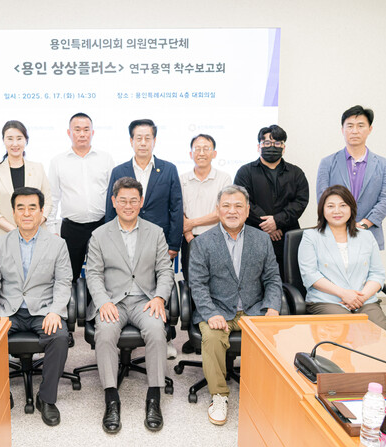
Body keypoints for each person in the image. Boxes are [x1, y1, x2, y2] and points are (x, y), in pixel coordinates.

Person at [86, 177, 175, 434]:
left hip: (145, 301)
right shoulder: (99, 235)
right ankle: (111, 399)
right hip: (113, 301)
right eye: (123, 200)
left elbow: (165, 271)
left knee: (157, 332)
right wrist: (103, 301)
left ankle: (154, 398)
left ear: (141, 202)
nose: (128, 205)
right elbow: (93, 274)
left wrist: (159, 298)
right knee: (105, 333)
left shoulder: (155, 232)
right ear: (114, 202)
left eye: (133, 200)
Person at [188, 185, 282, 426]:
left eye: (238, 206)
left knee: (273, 335)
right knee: (212, 337)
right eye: (226, 206)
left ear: (247, 210)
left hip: (254, 308)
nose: (232, 211)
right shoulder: (202, 243)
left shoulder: (261, 239)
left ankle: (263, 391)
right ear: (217, 209)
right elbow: (198, 285)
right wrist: (210, 313)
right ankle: (219, 396)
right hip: (218, 309)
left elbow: (272, 278)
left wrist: (272, 306)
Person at [0, 187, 72, 427]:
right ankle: (1, 392)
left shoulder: (57, 244)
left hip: (43, 310)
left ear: (42, 212)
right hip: (8, 310)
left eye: (32, 207)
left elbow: (63, 282)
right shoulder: (0, 244)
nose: (27, 213)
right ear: (13, 213)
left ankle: (47, 398)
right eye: (20, 208)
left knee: (60, 337)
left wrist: (55, 311)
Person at [105, 119, 183, 359]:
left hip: (158, 241)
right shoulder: (119, 171)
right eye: (138, 138)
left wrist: (173, 244)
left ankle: (166, 338)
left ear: (154, 141)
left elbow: (176, 207)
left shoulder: (168, 169)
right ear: (131, 141)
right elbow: (111, 209)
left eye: (147, 138)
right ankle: (120, 342)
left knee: (159, 287)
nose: (143, 142)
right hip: (125, 239)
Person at [298, 185, 386, 332]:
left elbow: (377, 274)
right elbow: (310, 275)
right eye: (330, 206)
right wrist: (344, 294)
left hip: (364, 300)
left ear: (351, 208)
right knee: (348, 332)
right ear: (322, 209)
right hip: (327, 301)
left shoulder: (366, 236)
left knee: (382, 335)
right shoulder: (311, 236)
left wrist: (360, 298)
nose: (337, 211)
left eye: (343, 205)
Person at [47, 113, 115, 281]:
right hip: (71, 229)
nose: (82, 134)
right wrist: (52, 230)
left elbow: (113, 195)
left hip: (101, 227)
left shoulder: (106, 159)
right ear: (69, 133)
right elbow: (53, 198)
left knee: (102, 276)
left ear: (93, 132)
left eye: (86, 129)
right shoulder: (58, 161)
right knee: (68, 277)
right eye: (77, 130)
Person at [316, 105, 386, 250]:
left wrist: (364, 224)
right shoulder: (327, 163)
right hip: (334, 235)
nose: (355, 131)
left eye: (360, 126)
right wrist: (341, 225)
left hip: (369, 234)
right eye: (350, 126)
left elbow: (385, 200)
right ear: (342, 130)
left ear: (370, 129)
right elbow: (322, 198)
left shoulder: (385, 165)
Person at [234, 125, 309, 271]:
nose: (272, 147)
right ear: (259, 146)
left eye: (277, 143)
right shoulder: (245, 172)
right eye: (267, 143)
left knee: (288, 277)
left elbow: (301, 201)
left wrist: (277, 221)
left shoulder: (296, 173)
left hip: (287, 237)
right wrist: (268, 225)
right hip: (254, 235)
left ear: (284, 147)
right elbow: (243, 201)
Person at [0, 120, 52, 254]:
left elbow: (48, 203)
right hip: (4, 238)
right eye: (10, 139)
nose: (15, 144)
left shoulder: (38, 168)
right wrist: (15, 231)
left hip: (36, 238)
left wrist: (32, 226)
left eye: (19, 138)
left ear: (26, 140)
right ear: (3, 141)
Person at [180, 134, 232, 281]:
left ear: (214, 153)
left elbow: (222, 212)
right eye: (197, 149)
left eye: (206, 149)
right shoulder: (182, 179)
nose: (201, 153)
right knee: (192, 284)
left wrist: (191, 223)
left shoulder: (224, 178)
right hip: (190, 240)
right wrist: (189, 237)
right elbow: (178, 211)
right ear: (190, 154)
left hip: (217, 239)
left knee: (218, 284)